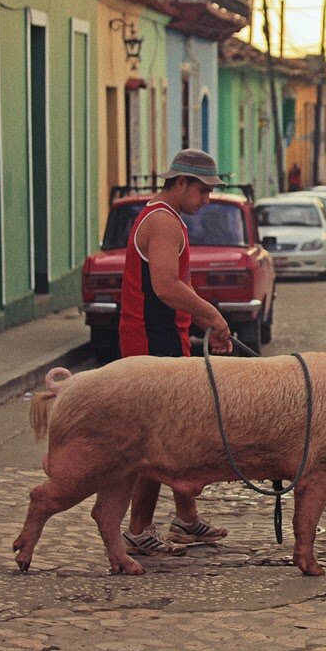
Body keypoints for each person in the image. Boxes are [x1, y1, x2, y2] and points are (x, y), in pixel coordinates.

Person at [118, 148, 232, 557]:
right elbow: (165, 286)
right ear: (180, 183)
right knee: (157, 442)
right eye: (202, 191)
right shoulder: (165, 222)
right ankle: (138, 529)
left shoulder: (161, 217)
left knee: (176, 436)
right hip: (153, 342)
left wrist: (201, 323)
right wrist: (213, 316)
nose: (207, 199)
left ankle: (185, 518)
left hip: (161, 339)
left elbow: (171, 287)